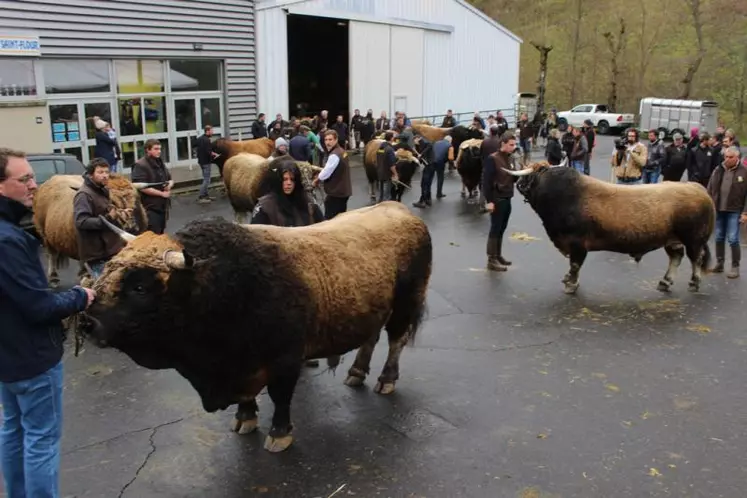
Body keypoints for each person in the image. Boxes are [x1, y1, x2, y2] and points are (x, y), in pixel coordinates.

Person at [0, 147, 95, 498]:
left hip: (6, 357)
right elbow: (39, 306)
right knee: (41, 439)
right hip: (32, 359)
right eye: (23, 178)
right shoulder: (11, 241)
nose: (33, 184)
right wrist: (80, 297)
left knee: (14, 430)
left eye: (31, 176)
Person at [252, 157, 324, 366]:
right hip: (278, 271)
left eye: (292, 179)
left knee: (306, 314)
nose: (288, 183)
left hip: (305, 269)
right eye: (284, 179)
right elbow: (255, 239)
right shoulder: (265, 206)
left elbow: (323, 231)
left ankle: (305, 352)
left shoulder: (309, 204)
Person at [72, 157, 127, 279]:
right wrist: (108, 218)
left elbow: (103, 211)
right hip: (96, 255)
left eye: (107, 172)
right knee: (102, 290)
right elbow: (81, 222)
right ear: (91, 175)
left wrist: (120, 213)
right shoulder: (84, 195)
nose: (105, 176)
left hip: (110, 250)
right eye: (100, 172)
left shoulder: (102, 190)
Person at [707, 146, 747, 278]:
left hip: (734, 210)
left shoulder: (744, 172)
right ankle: (720, 263)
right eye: (726, 157)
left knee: (733, 239)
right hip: (718, 209)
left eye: (730, 157)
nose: (727, 159)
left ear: (737, 157)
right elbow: (710, 188)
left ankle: (735, 266)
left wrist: (745, 213)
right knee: (718, 237)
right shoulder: (718, 169)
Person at [482, 134, 518, 271]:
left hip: (507, 196)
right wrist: (489, 201)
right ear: (503, 143)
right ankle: (491, 259)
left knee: (502, 228)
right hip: (497, 198)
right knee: (495, 228)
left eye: (514, 145)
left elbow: (512, 178)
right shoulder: (493, 159)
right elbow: (486, 181)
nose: (513, 147)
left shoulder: (509, 158)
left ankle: (498, 255)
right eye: (511, 144)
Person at [131, 139, 173, 234]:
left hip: (162, 207)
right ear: (148, 150)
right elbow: (141, 187)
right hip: (149, 208)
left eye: (160, 149)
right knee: (152, 234)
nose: (159, 151)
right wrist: (161, 194)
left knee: (161, 233)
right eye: (156, 149)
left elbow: (170, 179)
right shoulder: (140, 165)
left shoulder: (160, 162)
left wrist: (169, 185)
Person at [313, 129, 352, 220]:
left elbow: (326, 173)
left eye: (330, 140)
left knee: (330, 219)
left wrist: (316, 180)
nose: (327, 142)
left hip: (336, 192)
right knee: (341, 217)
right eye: (326, 140)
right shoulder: (341, 151)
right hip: (344, 191)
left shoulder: (334, 155)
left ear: (336, 140)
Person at [196, 125, 218, 203]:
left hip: (201, 161)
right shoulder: (207, 140)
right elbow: (208, 152)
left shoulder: (199, 138)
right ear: (207, 131)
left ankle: (206, 195)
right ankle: (201, 196)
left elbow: (195, 146)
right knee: (207, 180)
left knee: (205, 178)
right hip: (206, 162)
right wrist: (215, 154)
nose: (213, 132)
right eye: (212, 131)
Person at [376, 131, 397, 203]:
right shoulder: (390, 149)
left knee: (381, 193)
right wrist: (395, 174)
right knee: (386, 195)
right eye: (393, 136)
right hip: (387, 175)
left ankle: (380, 204)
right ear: (391, 138)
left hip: (380, 172)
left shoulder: (381, 148)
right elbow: (392, 165)